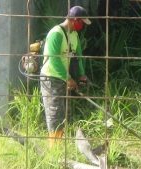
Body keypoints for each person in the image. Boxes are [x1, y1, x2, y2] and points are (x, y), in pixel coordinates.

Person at [40, 6, 91, 148]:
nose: (82, 26)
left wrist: (81, 75)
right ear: (75, 20)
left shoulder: (74, 34)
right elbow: (54, 59)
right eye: (82, 22)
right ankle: (54, 148)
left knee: (65, 112)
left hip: (64, 77)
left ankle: (62, 145)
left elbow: (78, 56)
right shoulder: (56, 33)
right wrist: (68, 78)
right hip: (51, 78)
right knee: (55, 113)